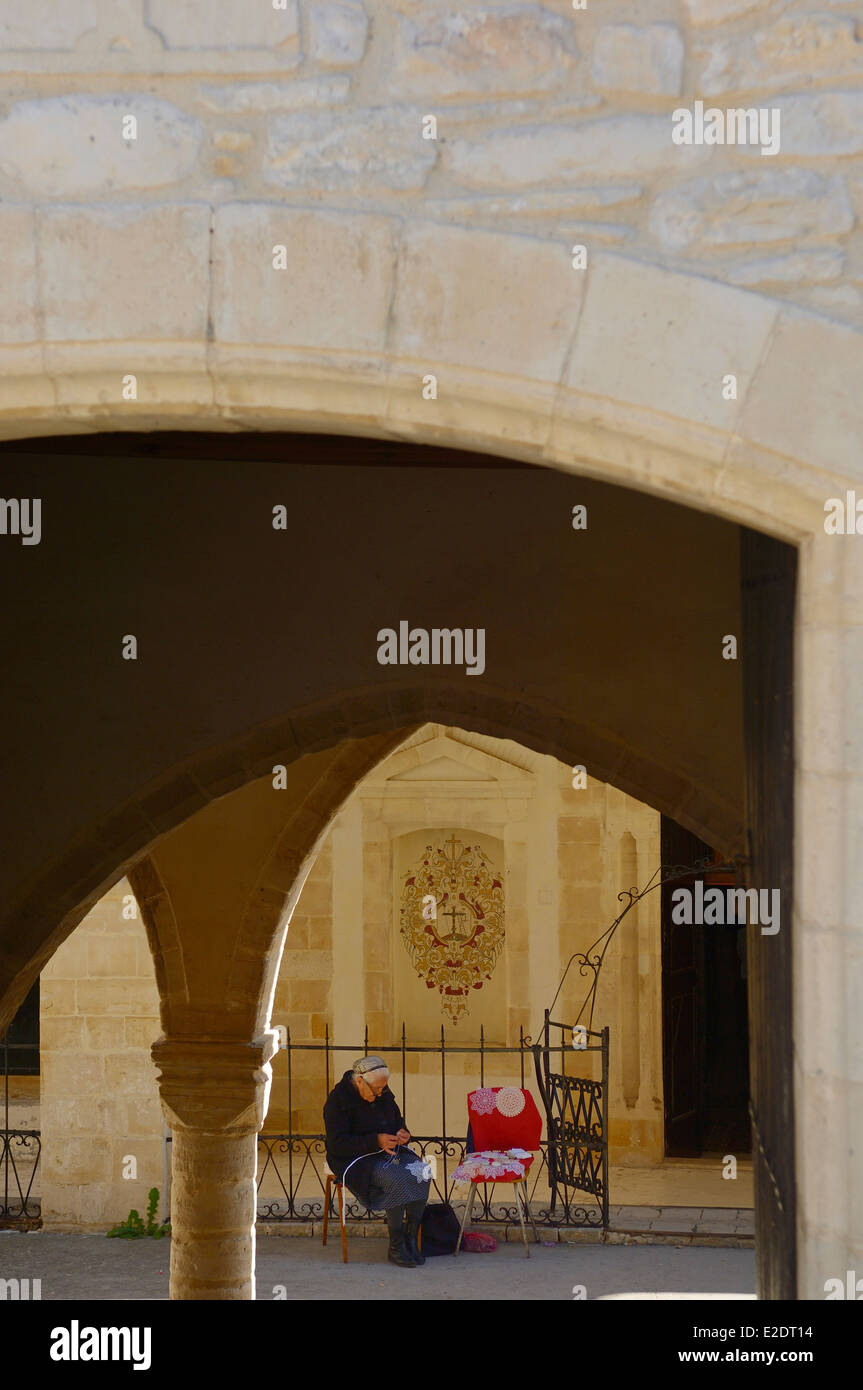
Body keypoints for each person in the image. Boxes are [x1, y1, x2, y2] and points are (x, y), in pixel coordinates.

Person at [323, 1054, 431, 1267]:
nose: (381, 1093)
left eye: (383, 1088)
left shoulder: (381, 1092)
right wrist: (375, 1141)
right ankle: (396, 1244)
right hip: (354, 1158)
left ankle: (411, 1238)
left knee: (423, 1172)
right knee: (396, 1178)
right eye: (377, 1089)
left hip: (386, 1151)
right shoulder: (337, 1101)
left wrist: (402, 1133)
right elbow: (337, 1144)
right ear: (360, 1081)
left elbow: (397, 1120)